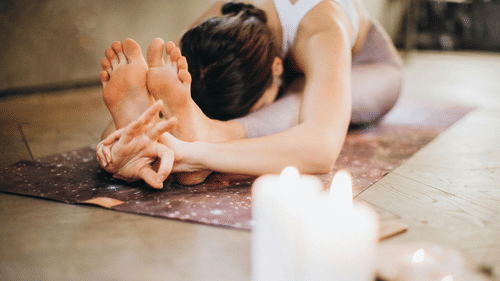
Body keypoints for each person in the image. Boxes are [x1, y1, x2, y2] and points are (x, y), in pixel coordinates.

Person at [96, 0, 403, 188]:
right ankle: (190, 127)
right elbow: (163, 80)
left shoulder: (323, 30)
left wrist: (194, 156)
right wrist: (129, 136)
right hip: (289, 73)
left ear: (277, 66)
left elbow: (321, 147)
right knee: (183, 94)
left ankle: (213, 132)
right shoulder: (222, 21)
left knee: (300, 101)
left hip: (370, 68)